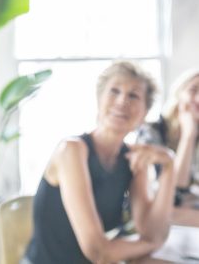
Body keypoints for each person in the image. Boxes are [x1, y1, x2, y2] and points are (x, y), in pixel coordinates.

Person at [22, 61, 176, 264]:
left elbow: (151, 229)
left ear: (144, 114)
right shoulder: (71, 150)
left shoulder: (132, 158)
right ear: (99, 100)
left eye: (134, 95)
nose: (122, 101)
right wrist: (151, 244)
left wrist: (169, 166)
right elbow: (98, 252)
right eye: (114, 91)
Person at [137, 68, 199, 226]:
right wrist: (188, 135)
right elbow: (175, 191)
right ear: (179, 94)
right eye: (193, 90)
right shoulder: (152, 131)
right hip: (156, 219)